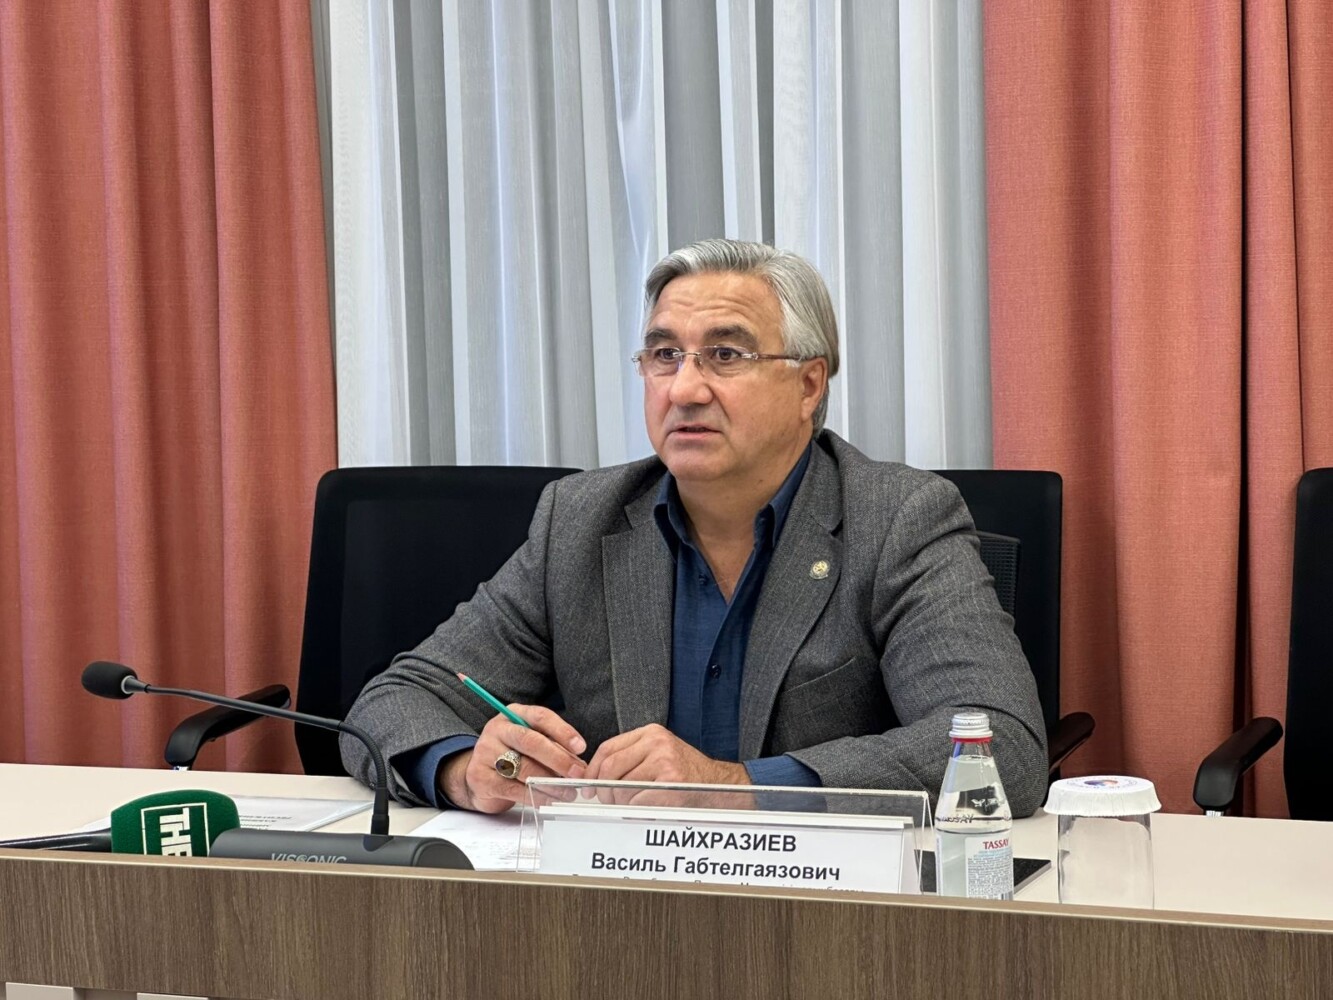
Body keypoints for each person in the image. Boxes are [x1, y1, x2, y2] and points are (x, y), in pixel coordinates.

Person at [341, 238, 1048, 816]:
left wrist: (739, 787)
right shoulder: (579, 521)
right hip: (615, 900)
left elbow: (1000, 749)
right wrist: (466, 770)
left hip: (823, 908)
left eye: (725, 355)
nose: (683, 389)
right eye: (663, 355)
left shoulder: (897, 520)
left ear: (808, 385)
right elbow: (398, 698)